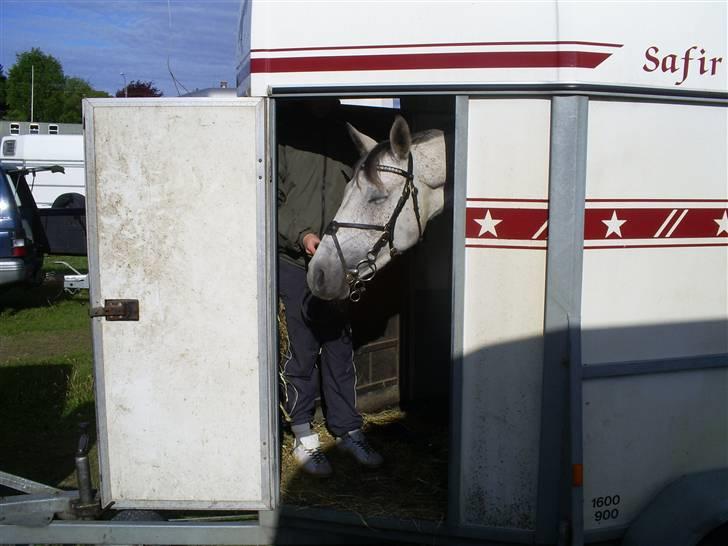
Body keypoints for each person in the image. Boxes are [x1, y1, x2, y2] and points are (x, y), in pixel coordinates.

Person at [277, 99, 383, 477]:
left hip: (340, 265)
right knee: (302, 350)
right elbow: (271, 201)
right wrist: (302, 235)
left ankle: (347, 429)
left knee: (338, 349)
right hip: (294, 261)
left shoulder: (350, 139)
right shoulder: (284, 136)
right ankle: (303, 434)